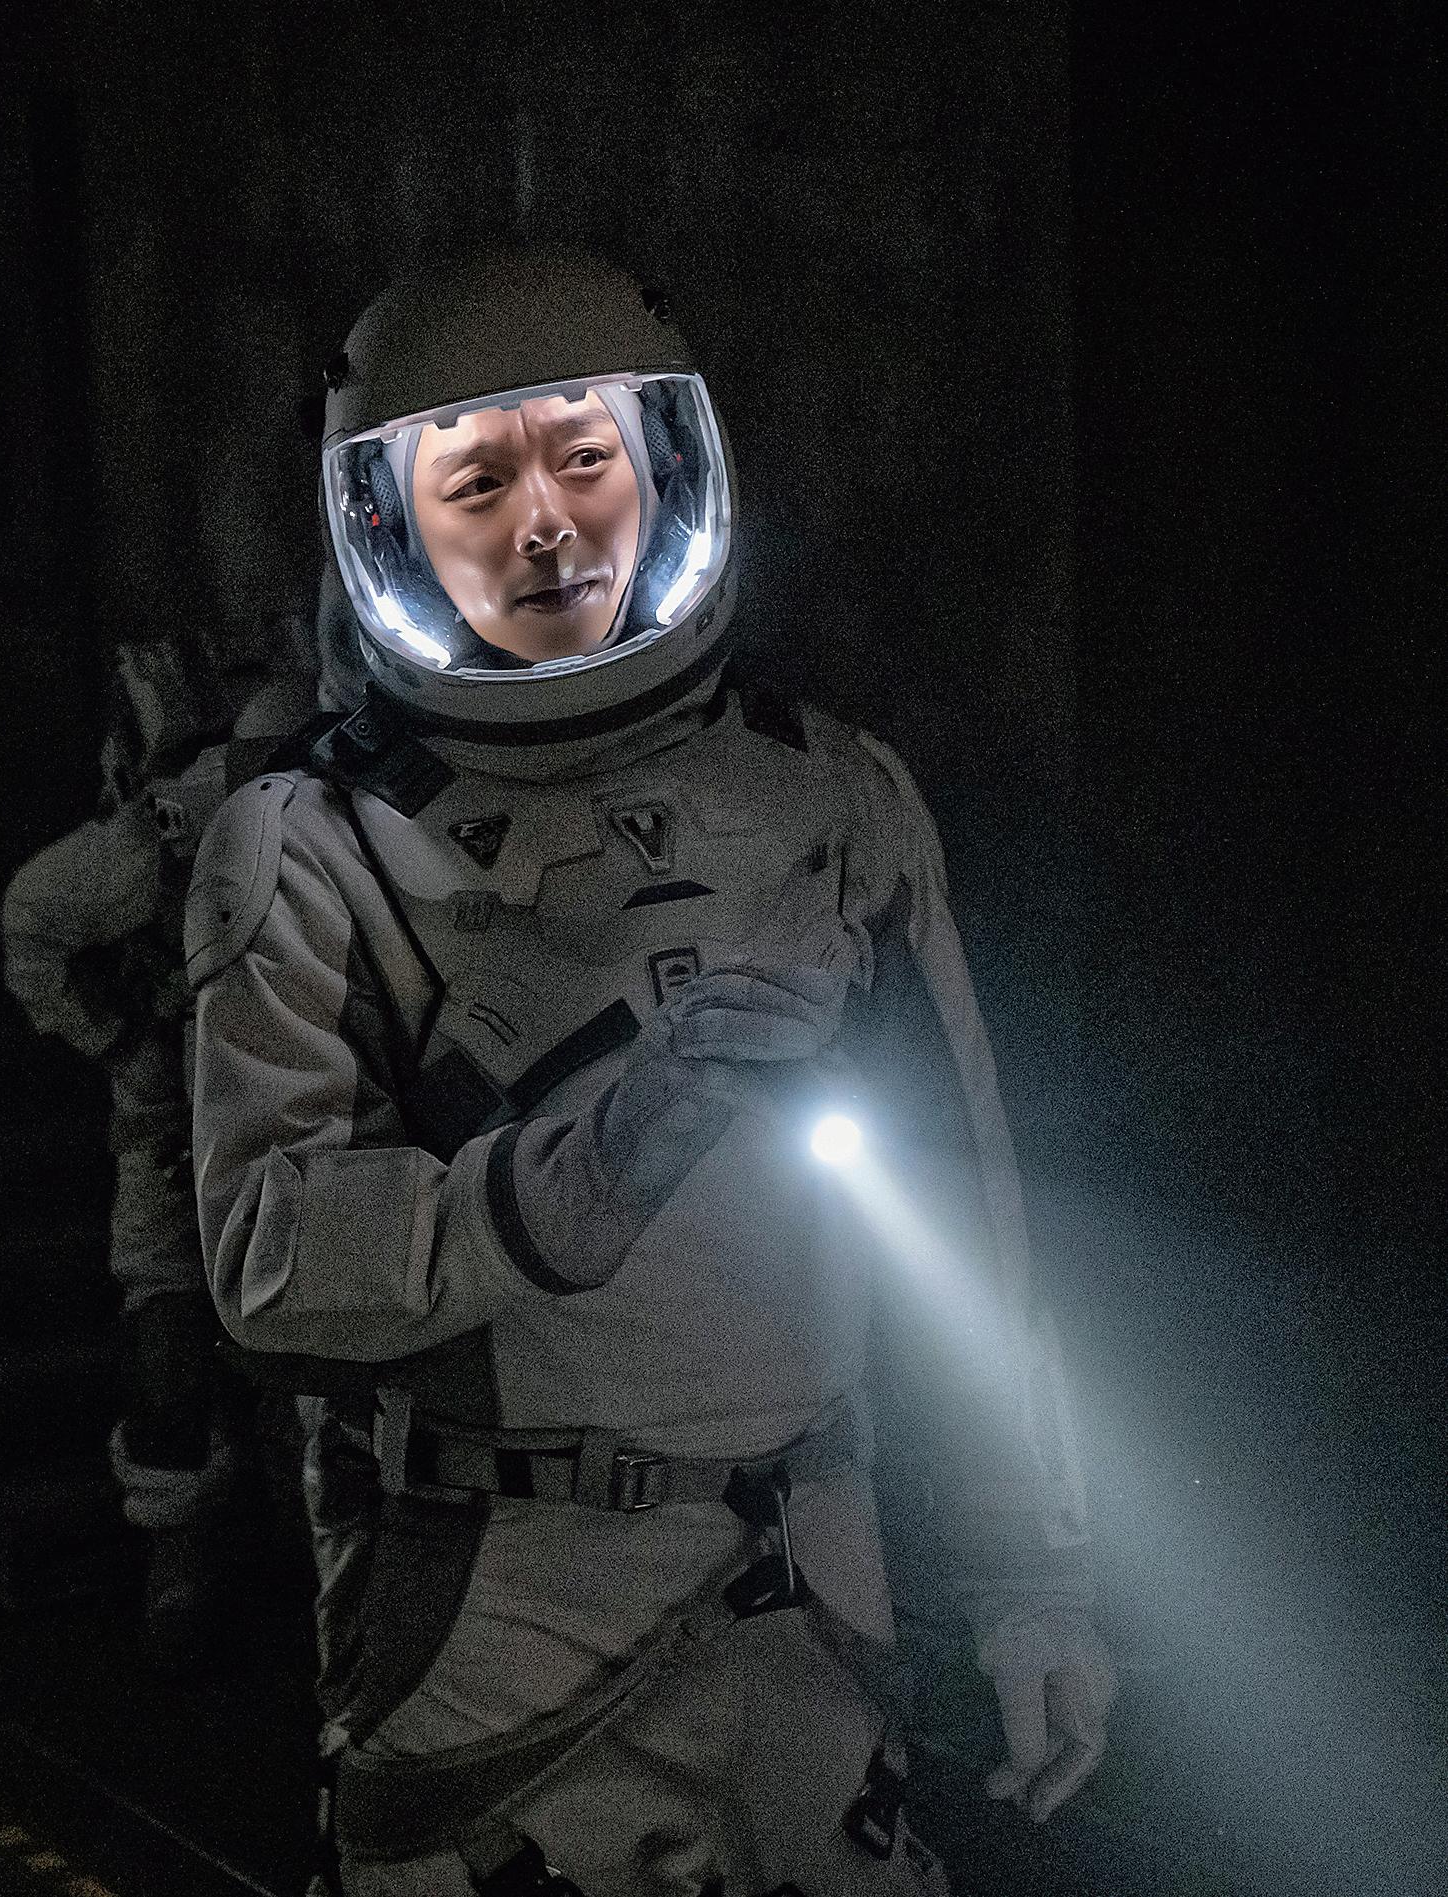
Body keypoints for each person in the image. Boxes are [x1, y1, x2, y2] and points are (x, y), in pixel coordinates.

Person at [187, 246, 1114, 1895]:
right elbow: (268, 1263)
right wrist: (585, 1170)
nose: (545, 523)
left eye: (583, 457)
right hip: (496, 1610)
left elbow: (970, 1227)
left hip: (806, 1582)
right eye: (476, 482)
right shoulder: (311, 848)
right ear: (387, 524)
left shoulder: (831, 801)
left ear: (668, 466)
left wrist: (1032, 1576)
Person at [1, 618, 326, 1674]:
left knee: (316, 1353)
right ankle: (179, 1562)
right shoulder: (180, 828)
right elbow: (33, 917)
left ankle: (316, 1564)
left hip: (302, 1120)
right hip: (178, 1120)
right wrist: (122, 1041)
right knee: (168, 1344)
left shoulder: (359, 821)